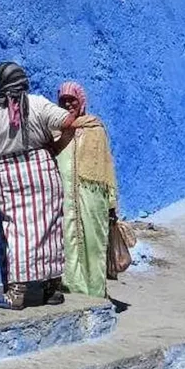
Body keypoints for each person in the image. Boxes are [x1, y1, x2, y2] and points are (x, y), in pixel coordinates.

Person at [0, 62, 78, 309]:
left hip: (9, 175)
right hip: (43, 170)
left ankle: (17, 293)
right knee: (50, 226)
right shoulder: (38, 103)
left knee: (18, 231)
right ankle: (52, 290)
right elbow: (69, 122)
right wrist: (56, 147)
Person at [53, 81, 119, 299]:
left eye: (72, 100)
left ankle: (96, 292)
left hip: (92, 201)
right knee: (67, 244)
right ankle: (74, 290)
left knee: (93, 245)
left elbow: (106, 166)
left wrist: (111, 202)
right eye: (63, 101)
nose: (68, 104)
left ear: (81, 101)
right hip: (66, 200)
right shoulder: (55, 130)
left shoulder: (95, 128)